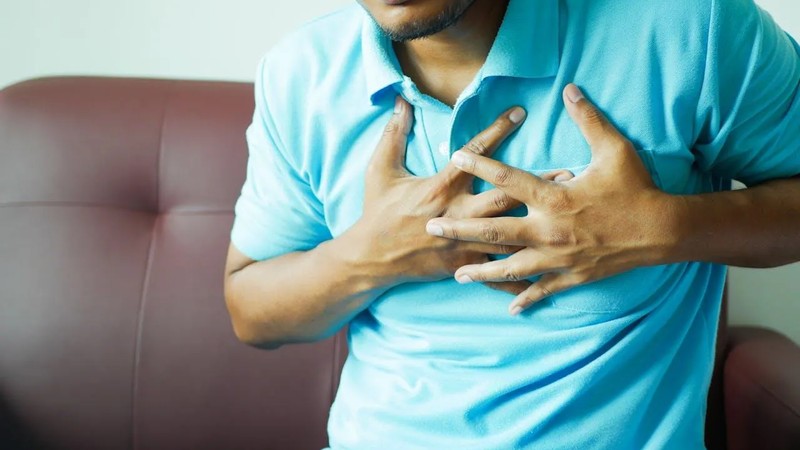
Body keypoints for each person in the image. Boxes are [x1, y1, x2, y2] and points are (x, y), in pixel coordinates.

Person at [223, 0, 800, 447]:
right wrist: (370, 256)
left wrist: (662, 229)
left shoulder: (692, 26)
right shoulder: (297, 74)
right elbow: (251, 311)